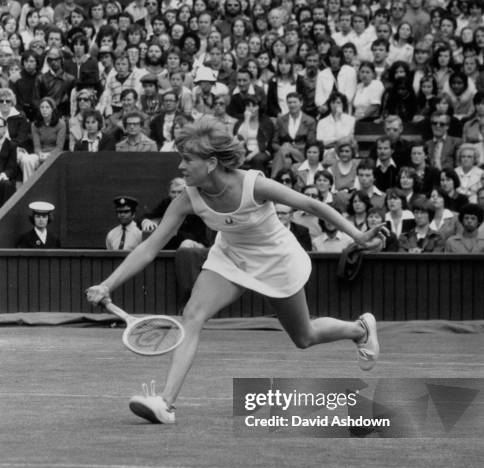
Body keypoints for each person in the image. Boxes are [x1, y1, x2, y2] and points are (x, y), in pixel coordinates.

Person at [86, 117, 386, 424]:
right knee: (192, 315)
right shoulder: (187, 198)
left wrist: (358, 235)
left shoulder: (253, 184)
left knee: (304, 337)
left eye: (188, 160)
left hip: (276, 261)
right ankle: (166, 403)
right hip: (229, 258)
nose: (181, 167)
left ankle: (360, 329)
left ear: (212, 163)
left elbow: (313, 206)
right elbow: (148, 248)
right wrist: (109, 284)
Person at [0, 114, 16, 205]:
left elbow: (12, 169)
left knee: (6, 185)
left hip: (3, 178)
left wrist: (3, 175)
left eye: (0, 126)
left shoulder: (11, 145)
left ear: (5, 128)